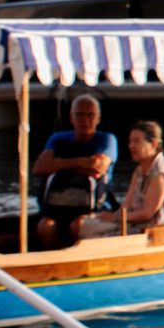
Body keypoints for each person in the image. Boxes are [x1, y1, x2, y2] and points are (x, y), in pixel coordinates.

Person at [32, 94, 117, 246]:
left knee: (78, 225)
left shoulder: (107, 140)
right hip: (58, 206)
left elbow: (97, 169)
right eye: (80, 115)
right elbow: (39, 167)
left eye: (91, 115)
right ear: (71, 118)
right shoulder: (58, 138)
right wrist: (81, 161)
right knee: (45, 227)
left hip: (94, 208)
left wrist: (59, 165)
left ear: (99, 118)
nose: (85, 120)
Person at [94, 119, 164, 238]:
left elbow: (147, 214)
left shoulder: (161, 172)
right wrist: (107, 217)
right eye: (130, 141)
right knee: (83, 226)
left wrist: (115, 217)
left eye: (137, 141)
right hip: (137, 227)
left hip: (157, 234)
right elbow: (127, 205)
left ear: (153, 144)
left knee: (93, 238)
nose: (131, 146)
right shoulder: (139, 171)